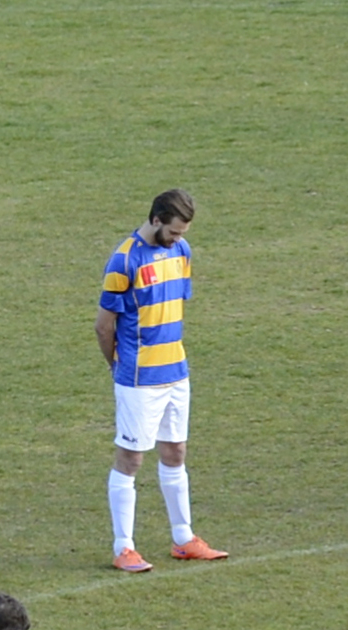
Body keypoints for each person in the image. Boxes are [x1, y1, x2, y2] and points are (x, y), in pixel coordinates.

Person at [100, 188, 228, 571]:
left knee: (175, 453)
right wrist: (117, 367)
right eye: (173, 232)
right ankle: (124, 546)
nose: (179, 239)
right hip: (139, 376)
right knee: (132, 458)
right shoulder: (124, 260)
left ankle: (183, 538)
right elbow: (103, 325)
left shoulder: (182, 252)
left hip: (176, 372)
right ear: (156, 220)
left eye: (183, 232)